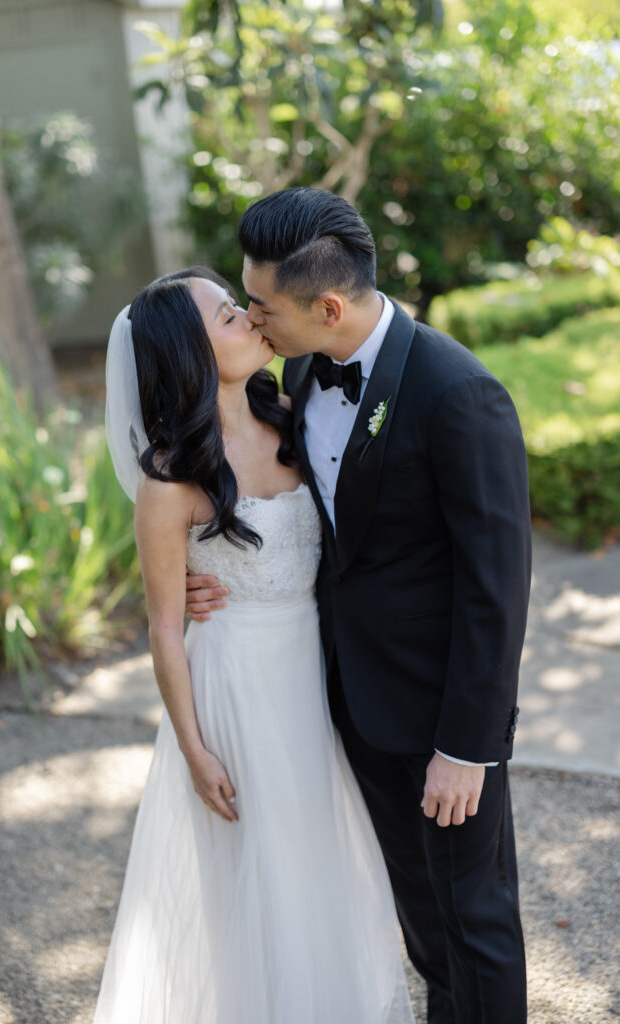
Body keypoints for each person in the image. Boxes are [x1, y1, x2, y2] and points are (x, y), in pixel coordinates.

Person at [185, 188, 531, 1024]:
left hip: (438, 718)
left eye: (260, 307)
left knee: (473, 921)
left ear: (327, 305)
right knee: (421, 921)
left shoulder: (458, 394)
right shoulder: (301, 371)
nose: (254, 322)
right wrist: (207, 569)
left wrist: (466, 747)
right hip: (349, 697)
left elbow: (498, 586)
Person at [94, 266, 415, 1023]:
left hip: (315, 671)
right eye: (228, 313)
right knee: (262, 875)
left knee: (324, 861)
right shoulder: (170, 483)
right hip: (236, 685)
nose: (250, 316)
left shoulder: (293, 417)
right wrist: (194, 748)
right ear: (188, 352)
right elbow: (164, 625)